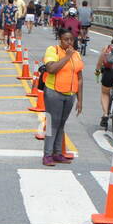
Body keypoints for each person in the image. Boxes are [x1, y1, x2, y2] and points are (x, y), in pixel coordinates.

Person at [40, 28, 83, 165]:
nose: (69, 42)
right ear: (60, 39)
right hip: (54, 92)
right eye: (66, 39)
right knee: (52, 123)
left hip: (70, 95)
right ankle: (47, 155)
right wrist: (66, 57)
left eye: (71, 39)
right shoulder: (53, 50)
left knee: (61, 124)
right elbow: (51, 69)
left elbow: (79, 77)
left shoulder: (76, 54)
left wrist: (80, 99)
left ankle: (57, 153)